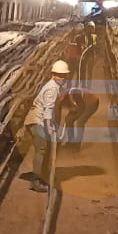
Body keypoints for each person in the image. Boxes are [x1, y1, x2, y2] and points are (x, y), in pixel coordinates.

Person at [21, 59, 69, 192]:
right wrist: (48, 126)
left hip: (39, 120)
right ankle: (36, 182)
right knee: (42, 149)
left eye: (63, 75)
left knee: (45, 149)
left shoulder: (55, 86)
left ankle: (43, 175)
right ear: (53, 75)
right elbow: (48, 110)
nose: (62, 78)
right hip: (36, 120)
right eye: (59, 75)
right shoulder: (51, 89)